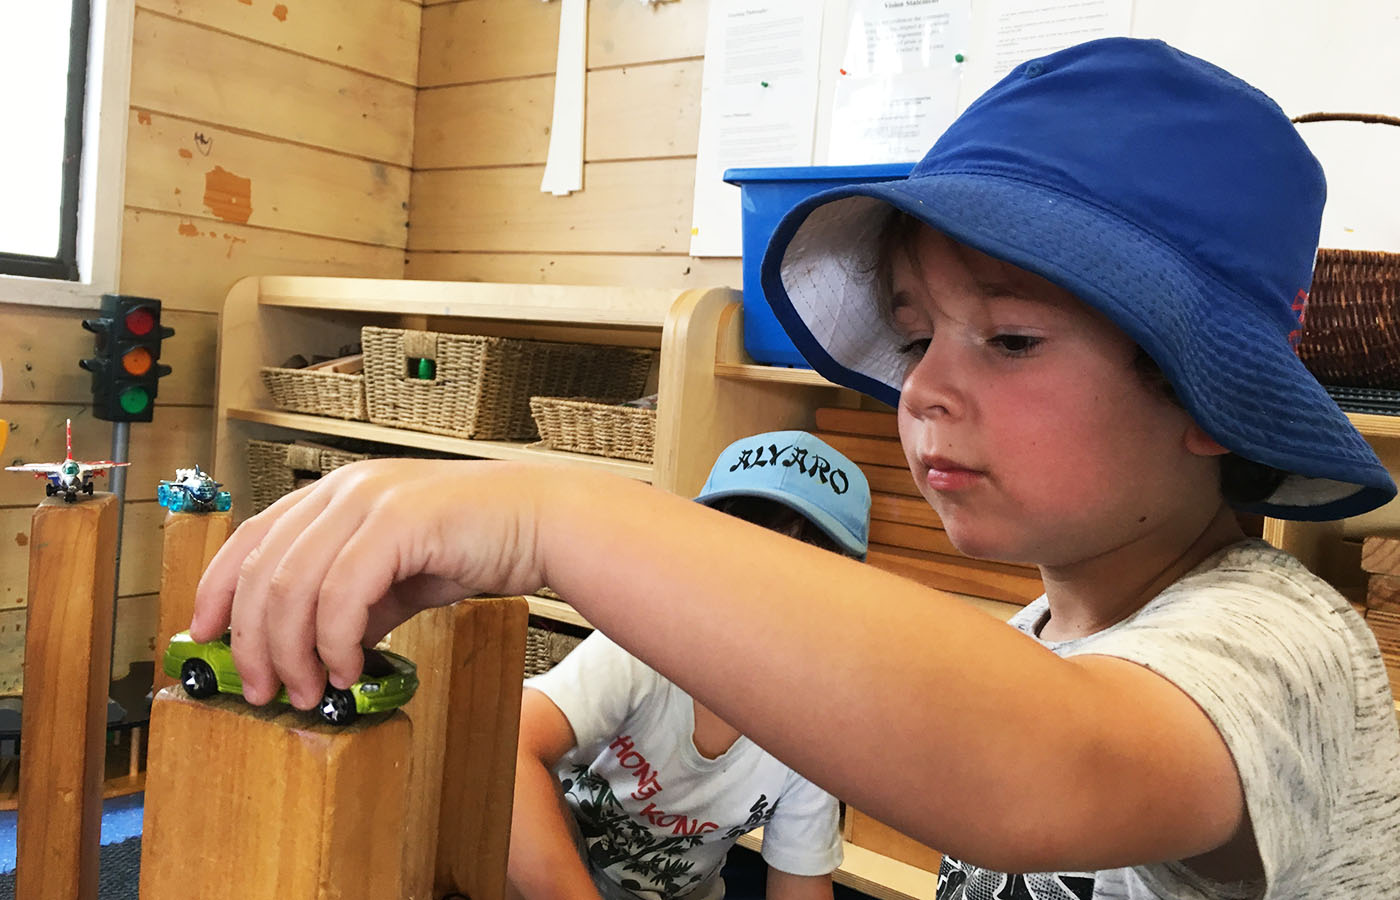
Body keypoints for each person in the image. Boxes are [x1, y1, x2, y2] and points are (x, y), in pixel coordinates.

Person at [192, 37, 1400, 899]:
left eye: (1011, 337)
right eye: (915, 332)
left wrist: (547, 513)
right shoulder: (1043, 633)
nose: (920, 386)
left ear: (1205, 396)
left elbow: (1044, 766)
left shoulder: (1278, 643)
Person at [508, 431, 869, 900]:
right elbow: (509, 747)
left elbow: (801, 883)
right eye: (739, 552)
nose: (762, 592)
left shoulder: (813, 732)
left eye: (800, 570)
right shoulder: (639, 649)